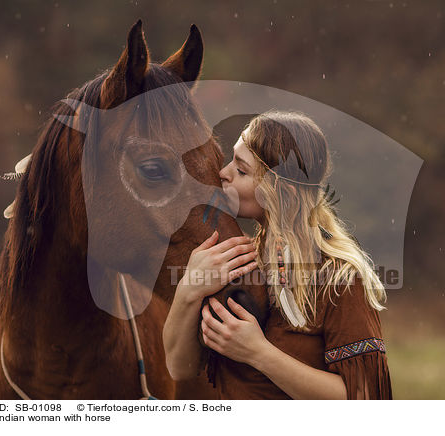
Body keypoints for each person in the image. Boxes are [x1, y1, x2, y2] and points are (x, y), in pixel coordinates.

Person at [163, 110, 392, 399]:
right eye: (231, 159)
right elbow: (180, 369)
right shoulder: (233, 262)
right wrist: (188, 290)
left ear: (282, 192)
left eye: (242, 170)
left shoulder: (340, 277)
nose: (223, 173)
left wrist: (259, 353)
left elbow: (363, 397)